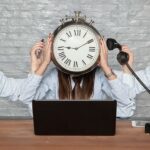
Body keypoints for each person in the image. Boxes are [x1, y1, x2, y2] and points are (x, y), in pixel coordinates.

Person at [0, 34, 135, 118]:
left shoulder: (100, 77)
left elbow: (126, 110)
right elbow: (26, 99)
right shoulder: (54, 77)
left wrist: (106, 68)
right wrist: (40, 66)